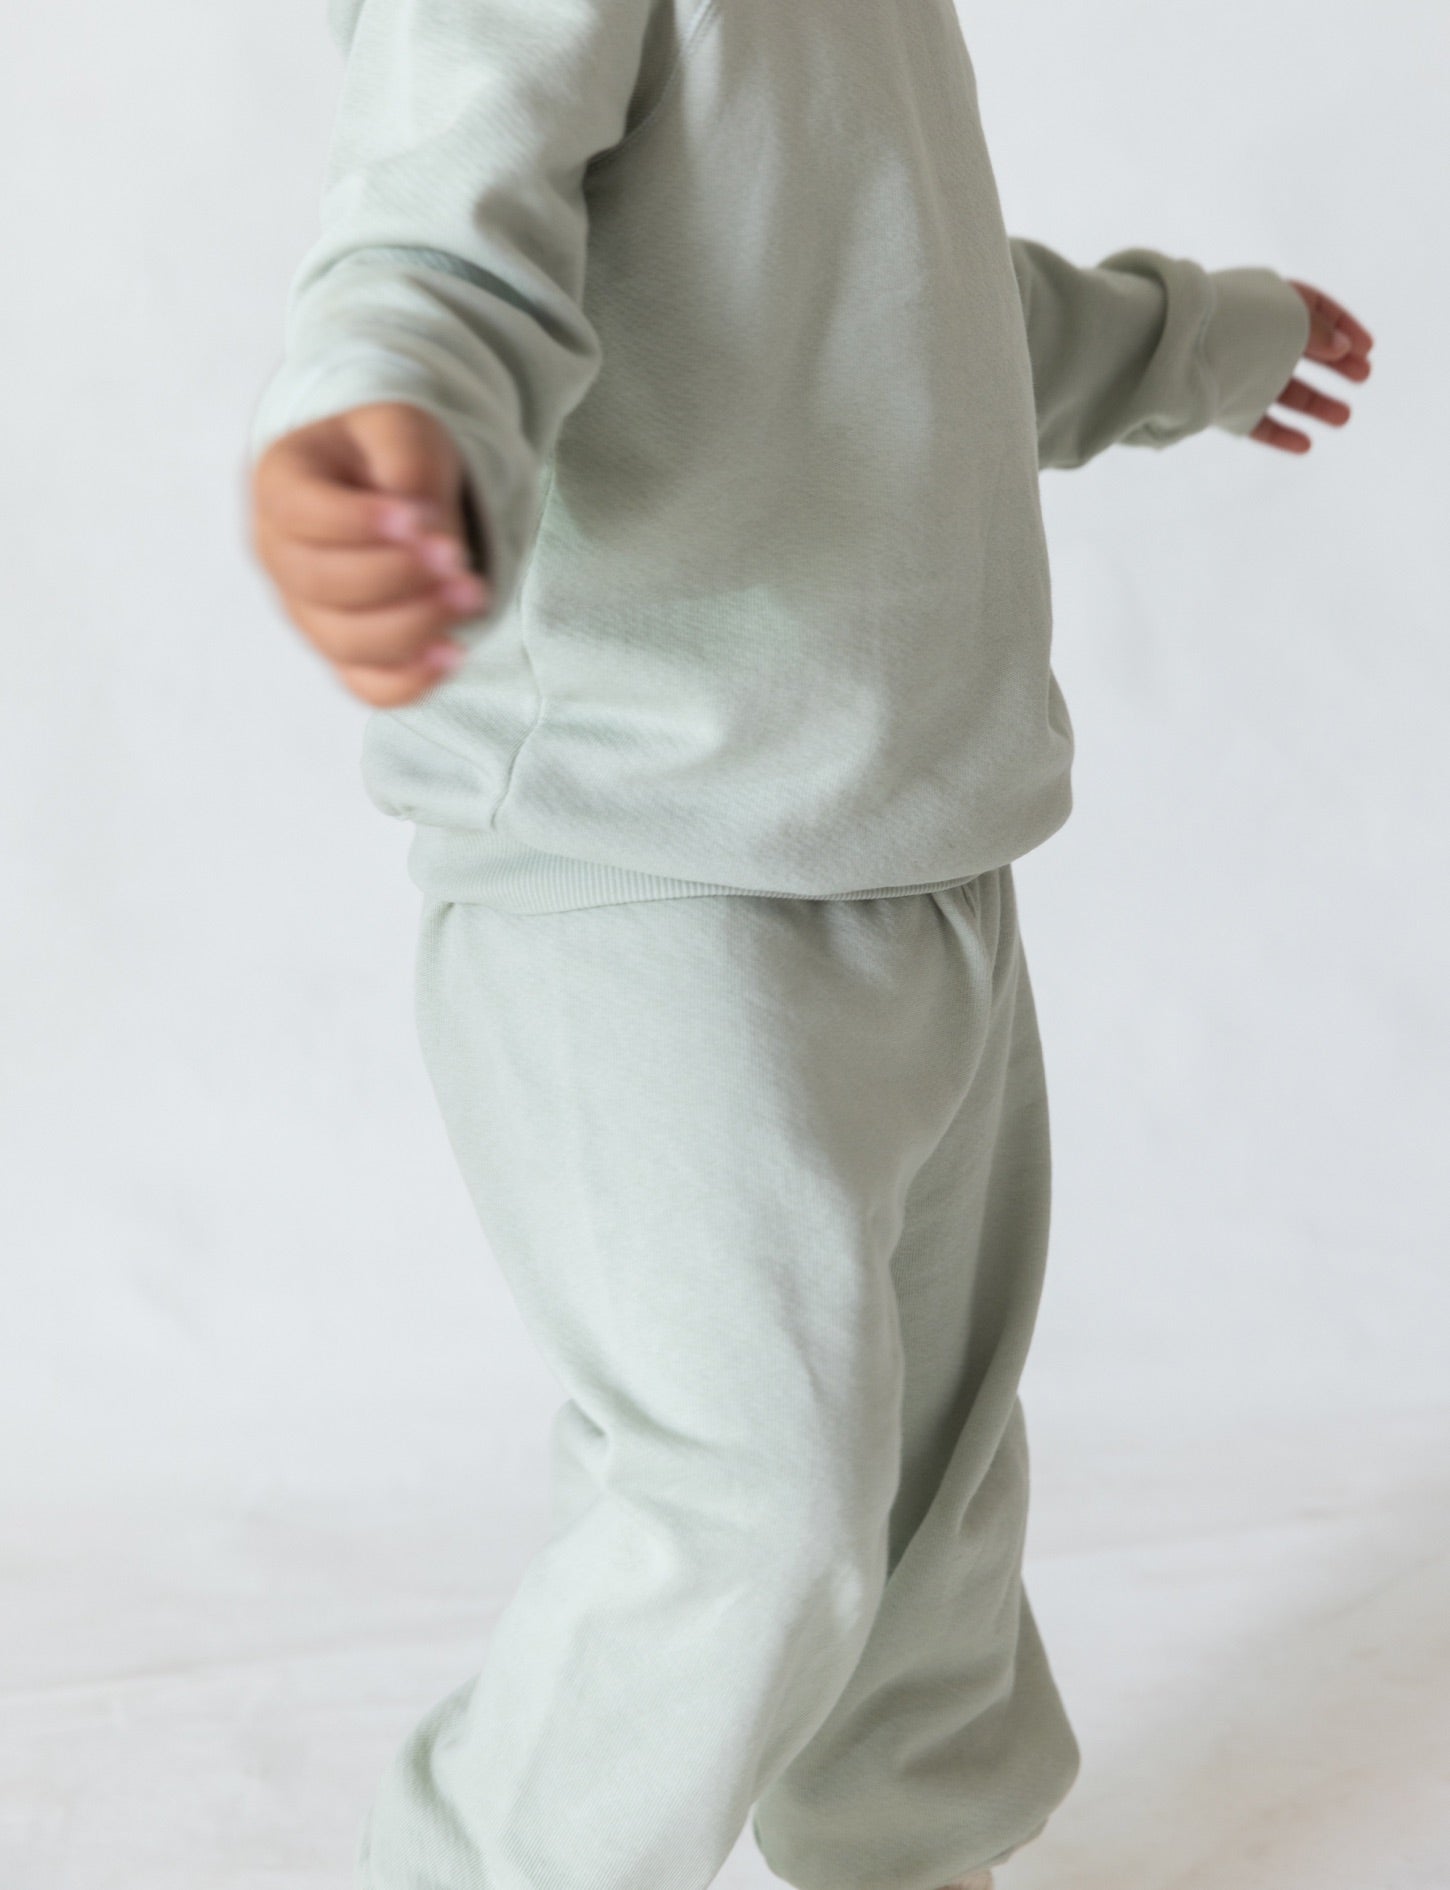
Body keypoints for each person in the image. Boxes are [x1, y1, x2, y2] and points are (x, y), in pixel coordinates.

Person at [245, 5, 1373, 1888]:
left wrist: (1186, 339)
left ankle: (903, 1862)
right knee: (748, 1503)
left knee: (928, 1510)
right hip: (641, 867)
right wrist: (390, 431)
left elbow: (901, 301)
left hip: (926, 848)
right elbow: (444, 225)